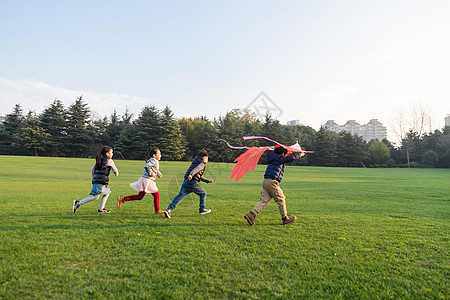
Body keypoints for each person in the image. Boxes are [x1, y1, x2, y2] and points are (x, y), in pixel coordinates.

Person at [244, 146, 301, 225]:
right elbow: (290, 158)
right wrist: (300, 154)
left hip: (266, 181)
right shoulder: (279, 159)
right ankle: (285, 219)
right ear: (282, 153)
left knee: (264, 200)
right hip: (272, 182)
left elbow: (287, 157)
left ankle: (251, 214)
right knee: (281, 199)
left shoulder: (274, 157)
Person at [164, 149, 213, 218]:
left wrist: (207, 181)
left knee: (180, 196)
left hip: (186, 181)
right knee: (203, 193)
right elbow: (196, 169)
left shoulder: (195, 161)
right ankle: (202, 210)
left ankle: (169, 210)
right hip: (192, 182)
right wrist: (191, 174)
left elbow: (198, 175)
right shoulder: (202, 163)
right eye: (207, 158)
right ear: (204, 157)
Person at [72, 146, 119, 213]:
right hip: (101, 180)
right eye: (111, 152)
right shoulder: (109, 160)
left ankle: (101, 209)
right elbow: (114, 169)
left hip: (98, 180)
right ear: (107, 154)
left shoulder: (99, 160)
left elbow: (92, 169)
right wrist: (116, 173)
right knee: (96, 197)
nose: (112, 154)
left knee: (106, 193)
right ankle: (78, 203)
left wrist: (94, 176)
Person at [117, 148, 164, 214]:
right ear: (154, 155)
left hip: (145, 179)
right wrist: (151, 174)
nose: (160, 155)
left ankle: (122, 199)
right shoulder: (154, 160)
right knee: (157, 194)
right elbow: (147, 166)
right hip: (148, 180)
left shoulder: (153, 160)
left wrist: (158, 173)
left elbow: (154, 168)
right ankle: (157, 210)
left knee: (140, 196)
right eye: (159, 154)